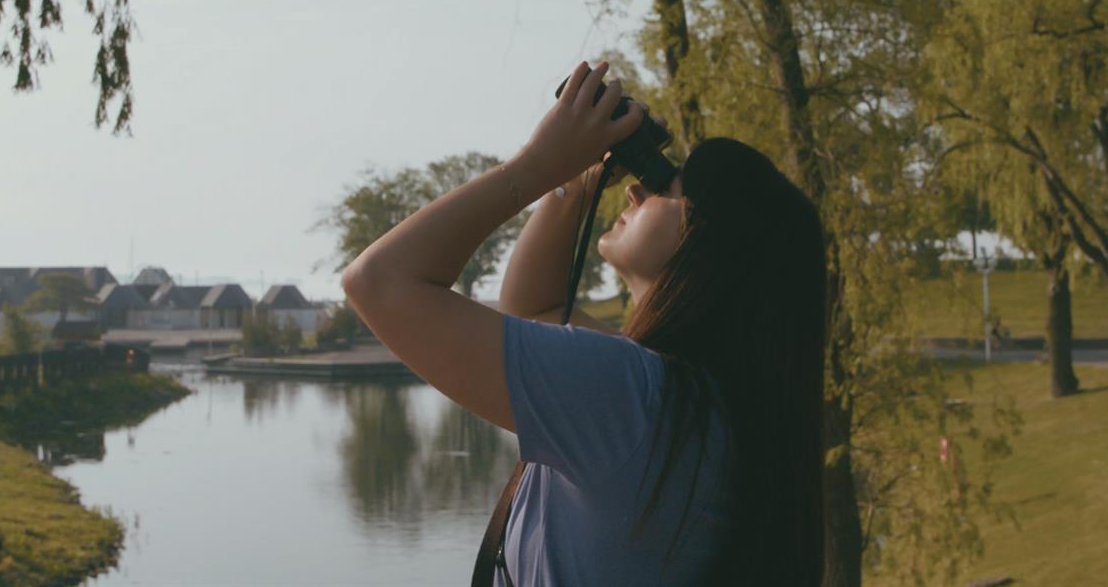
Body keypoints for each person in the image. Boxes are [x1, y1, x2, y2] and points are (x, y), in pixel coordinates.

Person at [341, 60, 827, 586]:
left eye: (669, 190)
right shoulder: (699, 408)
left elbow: (380, 282)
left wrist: (538, 165)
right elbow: (535, 307)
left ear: (715, 250)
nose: (637, 193)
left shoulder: (634, 400)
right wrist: (581, 179)